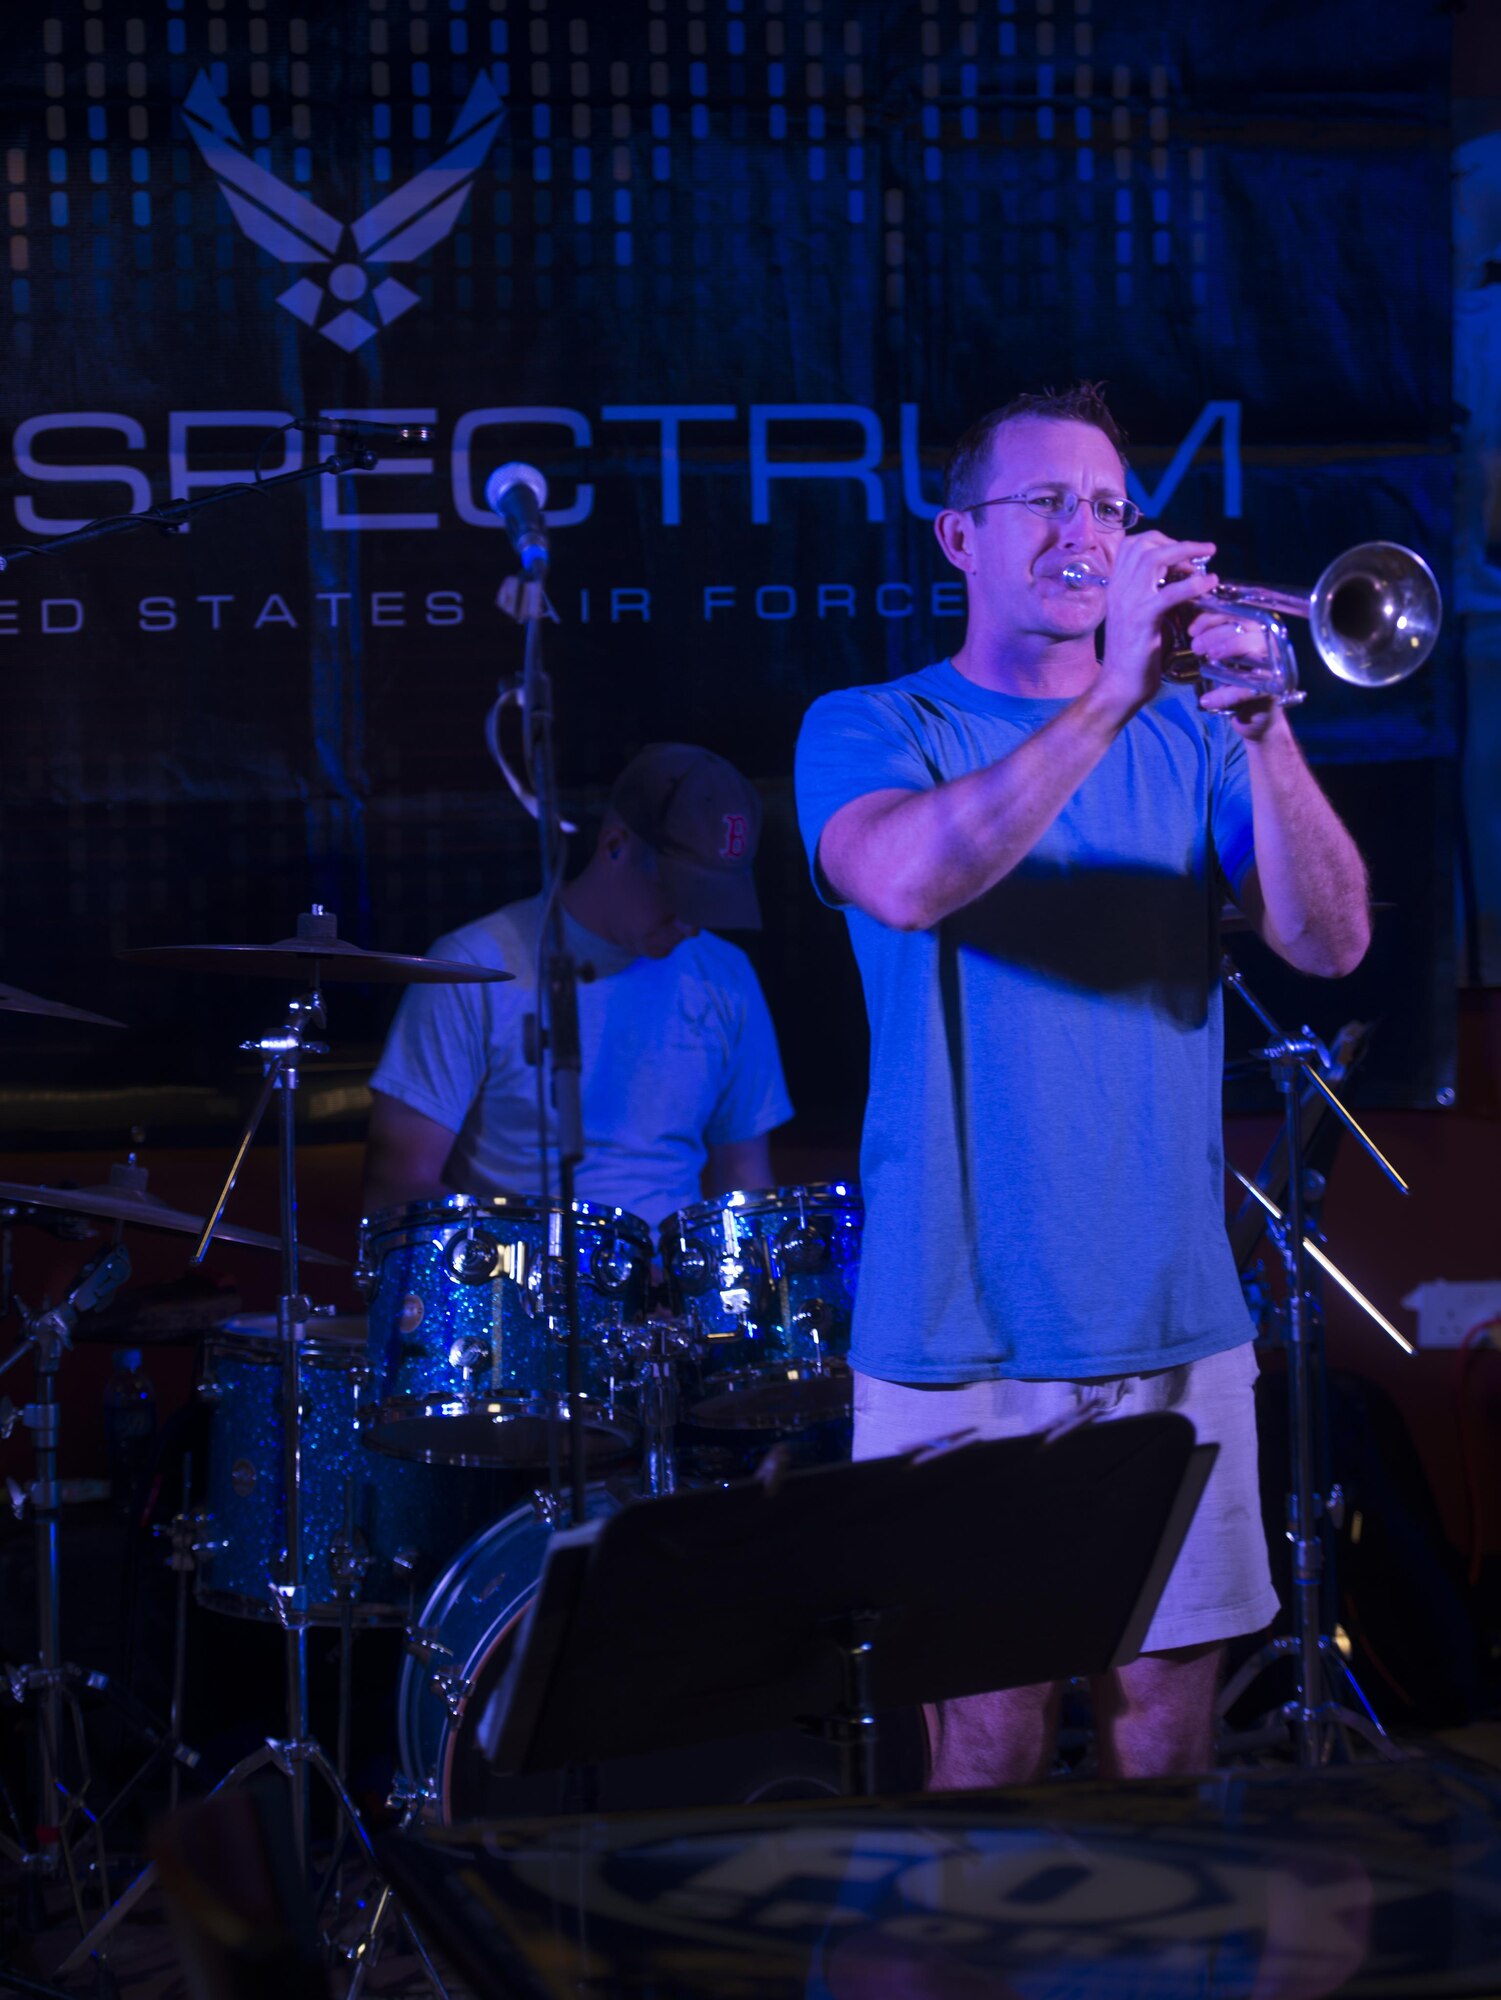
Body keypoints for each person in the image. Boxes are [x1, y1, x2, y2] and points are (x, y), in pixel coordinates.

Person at [794, 383, 1370, 1788]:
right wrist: (1114, 691)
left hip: (1175, 1315)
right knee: (982, 1740)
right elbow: (908, 878)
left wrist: (1262, 730)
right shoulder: (874, 724)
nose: (1086, 533)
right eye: (1045, 502)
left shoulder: (1187, 742)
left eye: (1109, 507)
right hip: (962, 1323)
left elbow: (1332, 940)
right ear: (957, 538)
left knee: (1164, 1737)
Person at [364, 743, 793, 1230]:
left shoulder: (726, 975)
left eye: (713, 902)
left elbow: (745, 1175)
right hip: (523, 1290)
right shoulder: (471, 966)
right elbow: (399, 1183)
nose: (692, 924)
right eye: (680, 893)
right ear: (615, 845)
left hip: (679, 1292)